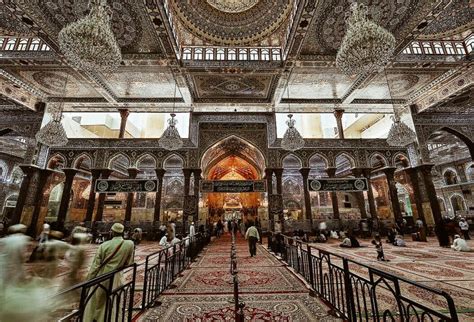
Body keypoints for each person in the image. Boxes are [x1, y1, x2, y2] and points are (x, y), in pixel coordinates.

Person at [84, 223, 135, 322]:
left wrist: (89, 280)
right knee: (113, 299)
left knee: (98, 300)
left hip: (102, 276)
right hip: (117, 276)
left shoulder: (104, 245)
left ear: (111, 232)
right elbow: (129, 262)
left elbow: (95, 266)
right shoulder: (129, 244)